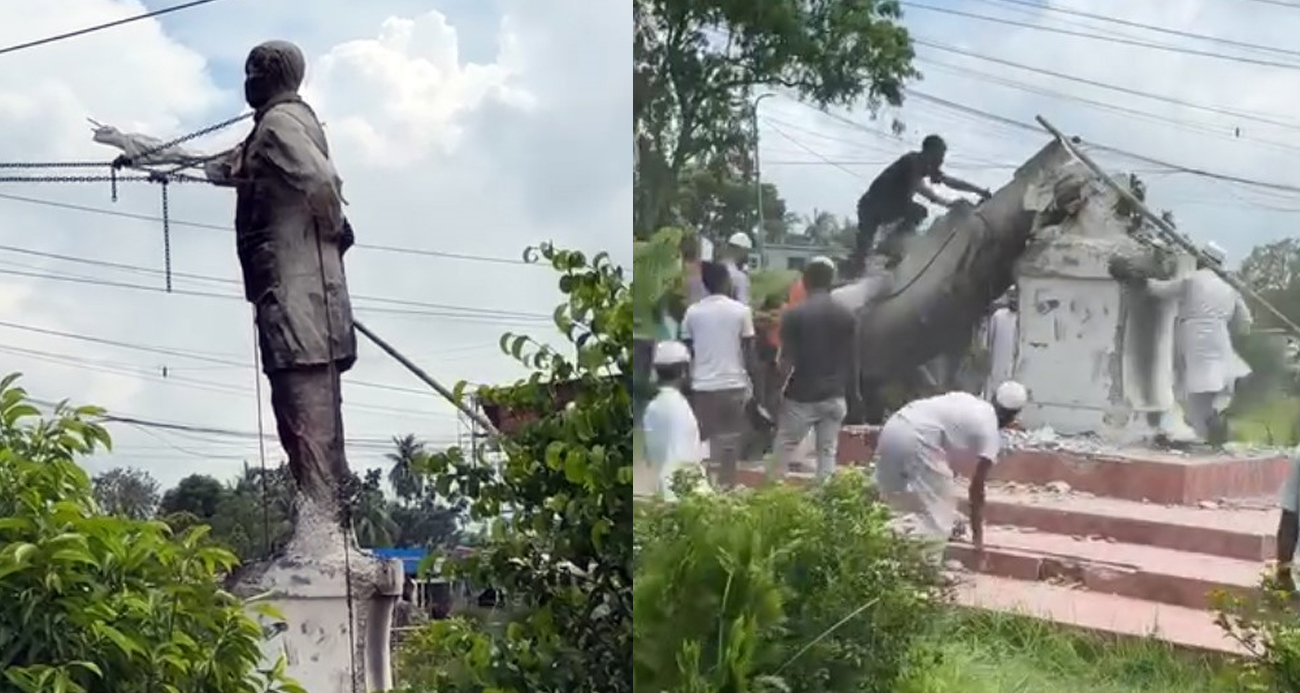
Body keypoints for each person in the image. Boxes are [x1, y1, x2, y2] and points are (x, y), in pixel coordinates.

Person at [873, 381, 1029, 559]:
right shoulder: (990, 433)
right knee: (939, 518)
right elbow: (976, 491)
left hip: (894, 426)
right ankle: (923, 571)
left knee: (891, 503)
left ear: (993, 397)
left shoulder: (965, 400)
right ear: (1012, 417)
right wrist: (978, 538)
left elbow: (949, 448)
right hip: (919, 440)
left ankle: (876, 557)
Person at [1141, 242, 1252, 445]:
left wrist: (1141, 279)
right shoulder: (1229, 287)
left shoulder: (1193, 280)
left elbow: (1159, 290)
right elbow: (1246, 321)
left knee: (1192, 387)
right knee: (1216, 381)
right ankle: (1212, 423)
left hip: (1194, 336)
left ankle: (1205, 425)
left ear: (1201, 260)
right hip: (1220, 336)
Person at [852, 135, 992, 275]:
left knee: (864, 253)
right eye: (940, 156)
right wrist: (947, 203)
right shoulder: (912, 161)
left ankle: (890, 252)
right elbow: (919, 187)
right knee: (917, 212)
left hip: (883, 207)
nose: (941, 161)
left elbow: (949, 181)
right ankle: (891, 247)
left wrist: (978, 190)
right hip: (872, 206)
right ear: (930, 152)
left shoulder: (925, 165)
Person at [770, 258, 856, 481]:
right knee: (827, 454)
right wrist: (853, 394)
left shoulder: (794, 315)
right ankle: (825, 504)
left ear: (805, 282)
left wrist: (774, 393)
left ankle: (769, 502)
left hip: (801, 397)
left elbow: (785, 363)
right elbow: (852, 360)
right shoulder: (847, 315)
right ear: (832, 282)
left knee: (781, 454)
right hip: (834, 396)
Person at [681, 261, 759, 489]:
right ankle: (726, 487)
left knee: (705, 442)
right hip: (733, 385)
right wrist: (756, 387)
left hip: (703, 387)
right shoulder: (741, 311)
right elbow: (749, 352)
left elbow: (687, 351)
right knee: (731, 441)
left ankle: (704, 487)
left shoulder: (692, 313)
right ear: (727, 282)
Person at [641, 340, 708, 500]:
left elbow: (652, 456)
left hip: (662, 490)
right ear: (684, 370)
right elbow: (684, 459)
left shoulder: (653, 407)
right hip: (681, 495)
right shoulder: (679, 407)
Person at [983, 288, 1019, 399]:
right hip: (998, 363)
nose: (1013, 300)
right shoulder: (999, 316)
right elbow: (987, 341)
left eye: (1015, 297)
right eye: (1011, 296)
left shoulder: (1023, 319)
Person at [724, 232, 753, 305]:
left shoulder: (717, 267)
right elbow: (743, 304)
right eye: (746, 251)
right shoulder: (739, 276)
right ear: (740, 250)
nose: (747, 255)